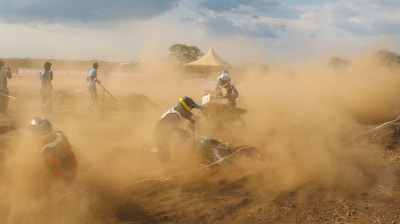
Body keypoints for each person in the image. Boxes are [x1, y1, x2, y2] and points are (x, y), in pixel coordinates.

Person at [27, 116, 78, 185]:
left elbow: (56, 172)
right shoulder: (60, 134)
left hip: (64, 178)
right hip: (73, 167)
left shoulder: (47, 150)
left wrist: (61, 186)